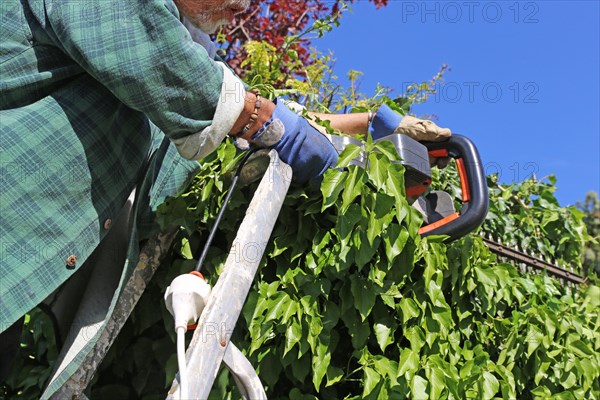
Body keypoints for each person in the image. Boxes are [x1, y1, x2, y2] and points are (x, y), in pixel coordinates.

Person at [0, 0, 451, 392]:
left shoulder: (163, 68)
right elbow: (197, 85)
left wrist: (365, 125)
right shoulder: (139, 36)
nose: (245, 7)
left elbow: (229, 108)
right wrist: (264, 122)